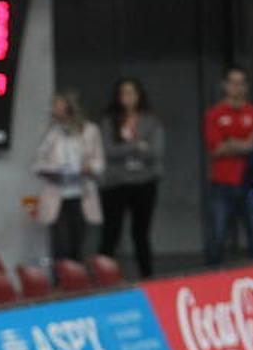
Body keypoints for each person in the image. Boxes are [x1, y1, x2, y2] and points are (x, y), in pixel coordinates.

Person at [100, 78, 164, 277]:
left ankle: (147, 276)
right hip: (116, 183)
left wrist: (128, 149)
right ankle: (104, 277)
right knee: (111, 232)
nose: (127, 98)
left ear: (139, 96)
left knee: (141, 233)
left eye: (131, 93)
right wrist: (136, 146)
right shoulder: (109, 121)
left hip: (144, 182)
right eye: (123, 93)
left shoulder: (151, 121)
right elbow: (109, 151)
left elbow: (155, 151)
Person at [33, 89, 105, 262]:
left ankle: (79, 282)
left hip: (81, 194)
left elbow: (99, 162)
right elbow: (37, 162)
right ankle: (61, 283)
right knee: (60, 245)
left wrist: (89, 168)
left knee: (78, 244)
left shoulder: (90, 130)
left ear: (68, 107)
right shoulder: (52, 133)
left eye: (56, 105)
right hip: (57, 194)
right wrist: (51, 170)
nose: (53, 109)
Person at [204, 65, 253, 265]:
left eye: (241, 83)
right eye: (233, 83)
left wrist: (231, 142)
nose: (236, 87)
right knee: (218, 235)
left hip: (249, 181)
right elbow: (216, 148)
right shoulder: (214, 114)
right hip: (222, 181)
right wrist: (244, 144)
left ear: (246, 87)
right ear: (225, 86)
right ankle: (212, 281)